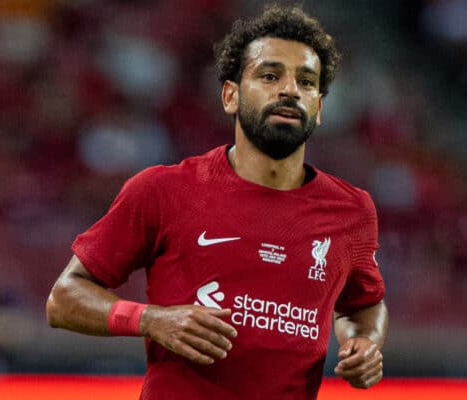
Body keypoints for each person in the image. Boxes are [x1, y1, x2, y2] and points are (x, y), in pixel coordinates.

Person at [46, 4, 388, 399]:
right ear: (230, 96)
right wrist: (151, 319)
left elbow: (363, 305)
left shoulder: (353, 211)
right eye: (270, 75)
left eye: (307, 82)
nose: (290, 89)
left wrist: (366, 343)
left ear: (319, 107)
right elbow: (63, 299)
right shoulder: (163, 189)